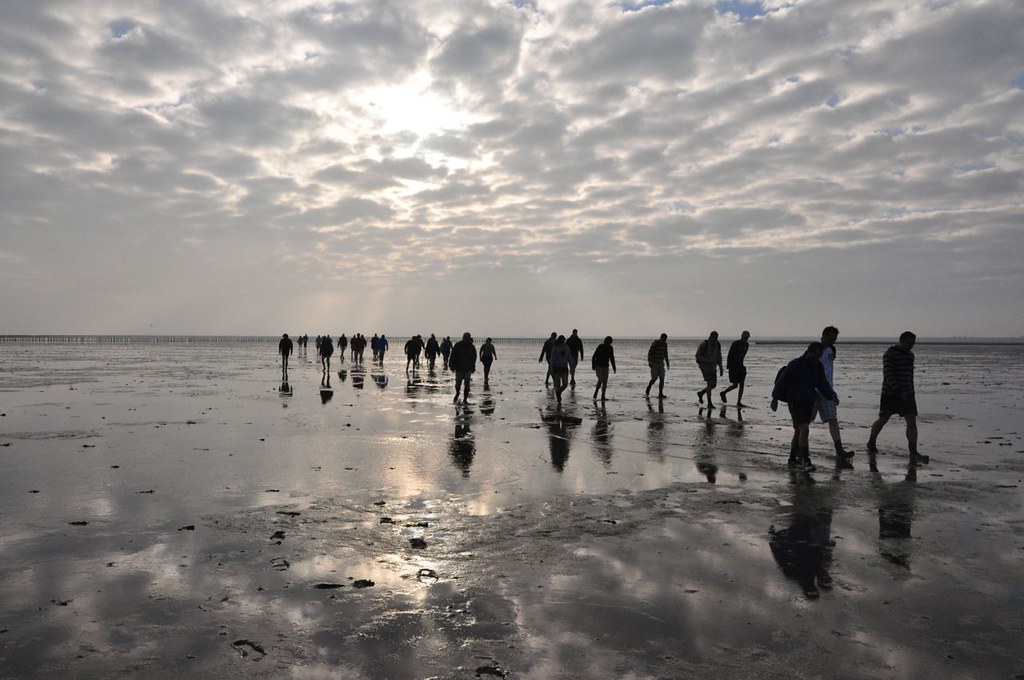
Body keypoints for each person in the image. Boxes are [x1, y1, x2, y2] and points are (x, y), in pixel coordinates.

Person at [771, 342, 839, 472]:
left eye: (819, 356)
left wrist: (832, 395)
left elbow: (822, 384)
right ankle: (805, 460)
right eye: (815, 354)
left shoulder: (817, 366)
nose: (817, 358)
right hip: (795, 401)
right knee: (804, 429)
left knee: (799, 431)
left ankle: (792, 458)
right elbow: (782, 381)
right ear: (809, 351)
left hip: (808, 401)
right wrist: (775, 398)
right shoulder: (796, 364)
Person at [867, 332, 929, 467]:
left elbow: (910, 376)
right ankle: (872, 441)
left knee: (911, 421)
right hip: (890, 394)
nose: (910, 347)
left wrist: (910, 392)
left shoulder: (910, 355)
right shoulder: (890, 354)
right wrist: (898, 390)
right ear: (901, 341)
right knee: (883, 419)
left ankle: (913, 452)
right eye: (908, 344)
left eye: (912, 344)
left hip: (908, 394)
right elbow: (888, 374)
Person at [815, 326, 854, 462]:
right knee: (804, 422)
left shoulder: (832, 349)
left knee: (833, 419)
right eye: (831, 339)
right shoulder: (815, 350)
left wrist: (831, 392)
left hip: (828, 391)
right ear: (824, 336)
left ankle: (839, 450)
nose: (833, 342)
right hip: (813, 391)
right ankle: (797, 449)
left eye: (835, 339)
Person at [720, 331, 750, 407]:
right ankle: (724, 392)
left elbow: (743, 355)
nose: (746, 339)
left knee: (742, 384)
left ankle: (739, 401)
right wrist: (728, 366)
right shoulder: (736, 343)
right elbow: (730, 354)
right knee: (735, 385)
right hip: (733, 366)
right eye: (745, 337)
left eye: (747, 337)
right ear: (742, 336)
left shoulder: (746, 345)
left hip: (741, 366)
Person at [695, 331, 723, 406]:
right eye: (714, 337)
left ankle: (701, 393)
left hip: (713, 367)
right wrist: (707, 360)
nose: (715, 339)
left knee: (714, 385)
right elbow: (697, 355)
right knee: (710, 384)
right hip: (705, 367)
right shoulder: (704, 344)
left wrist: (721, 367)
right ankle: (709, 402)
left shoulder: (717, 344)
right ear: (710, 336)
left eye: (717, 338)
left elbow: (719, 356)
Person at [449, 332, 477, 404]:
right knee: (458, 383)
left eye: (468, 338)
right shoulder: (458, 345)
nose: (466, 339)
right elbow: (453, 355)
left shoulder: (471, 347)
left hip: (468, 368)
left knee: (467, 384)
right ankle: (457, 392)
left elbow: (474, 357)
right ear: (463, 337)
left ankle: (465, 399)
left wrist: (473, 366)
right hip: (459, 367)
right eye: (465, 337)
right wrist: (451, 365)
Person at [591, 336, 616, 401]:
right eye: (609, 341)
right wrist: (593, 365)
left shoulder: (610, 348)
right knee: (601, 379)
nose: (609, 343)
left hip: (606, 366)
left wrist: (614, 367)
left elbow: (612, 358)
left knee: (605, 381)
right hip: (598, 365)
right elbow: (594, 356)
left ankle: (603, 396)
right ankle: (596, 391)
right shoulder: (600, 346)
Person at [645, 333, 670, 398]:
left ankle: (660, 393)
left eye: (665, 339)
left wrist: (667, 363)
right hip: (654, 363)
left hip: (661, 363)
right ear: (661, 338)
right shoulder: (655, 343)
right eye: (664, 339)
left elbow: (665, 354)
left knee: (662, 378)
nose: (664, 341)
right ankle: (649, 386)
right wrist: (650, 362)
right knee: (654, 378)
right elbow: (650, 353)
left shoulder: (665, 344)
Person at [549, 335, 572, 404]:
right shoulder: (555, 348)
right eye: (561, 341)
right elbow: (552, 359)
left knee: (565, 384)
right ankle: (558, 398)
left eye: (564, 341)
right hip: (556, 368)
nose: (563, 342)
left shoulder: (567, 347)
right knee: (557, 385)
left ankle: (559, 393)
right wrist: (551, 368)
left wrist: (572, 367)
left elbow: (569, 357)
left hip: (564, 368)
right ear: (559, 341)